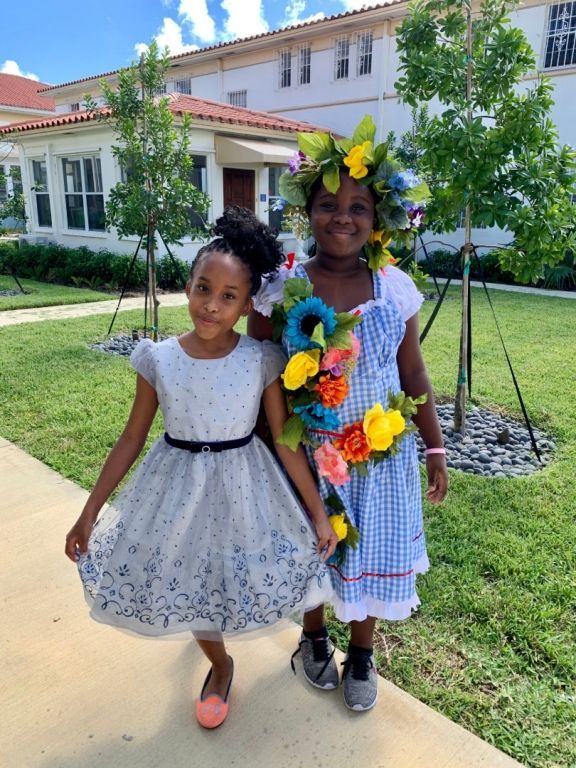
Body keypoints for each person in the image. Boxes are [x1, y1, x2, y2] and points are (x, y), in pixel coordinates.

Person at [65, 207, 338, 730]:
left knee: (229, 574)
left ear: (245, 303)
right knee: (186, 574)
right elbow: (130, 437)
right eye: (202, 289)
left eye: (228, 297)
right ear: (187, 286)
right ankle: (219, 663)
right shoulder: (158, 359)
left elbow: (283, 441)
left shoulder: (260, 360)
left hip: (245, 487)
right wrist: (88, 513)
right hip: (176, 489)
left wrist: (317, 514)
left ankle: (230, 646)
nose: (211, 306)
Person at [248, 116, 448, 712]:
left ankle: (362, 650)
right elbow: (257, 375)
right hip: (307, 455)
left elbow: (412, 375)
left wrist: (435, 446)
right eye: (330, 203)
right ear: (307, 211)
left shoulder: (393, 288)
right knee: (315, 548)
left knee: (374, 551)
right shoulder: (281, 288)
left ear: (378, 218)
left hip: (380, 457)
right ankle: (313, 638)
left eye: (360, 206)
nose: (344, 216)